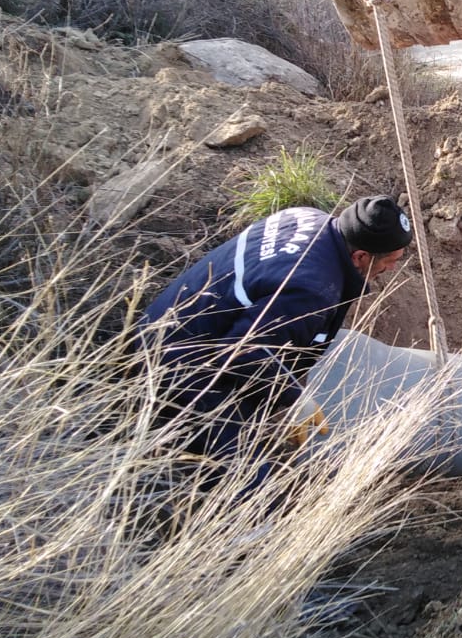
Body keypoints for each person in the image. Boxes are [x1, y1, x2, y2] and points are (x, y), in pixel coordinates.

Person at [139, 197, 412, 469]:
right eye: (390, 261)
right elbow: (242, 351)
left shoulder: (307, 218)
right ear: (360, 256)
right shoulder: (312, 287)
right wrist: (295, 398)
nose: (391, 269)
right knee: (251, 484)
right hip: (173, 368)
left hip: (164, 328)